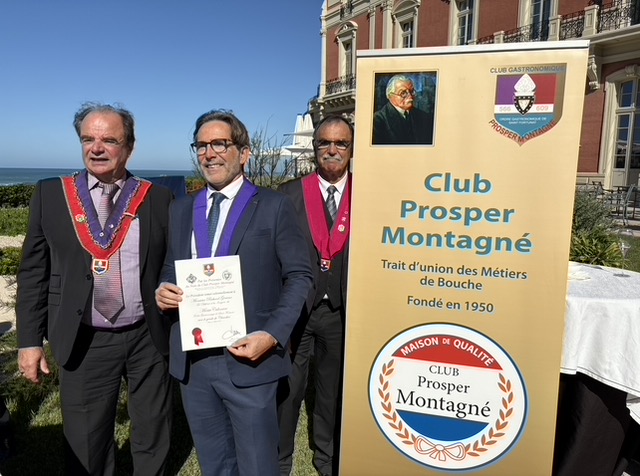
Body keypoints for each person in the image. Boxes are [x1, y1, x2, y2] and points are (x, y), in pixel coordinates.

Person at [16, 102, 173, 475]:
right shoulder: (52, 195)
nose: (96, 148)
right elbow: (33, 272)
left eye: (109, 140)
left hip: (147, 336)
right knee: (86, 439)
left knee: (153, 429)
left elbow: (171, 261)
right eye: (88, 139)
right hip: (85, 336)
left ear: (129, 147)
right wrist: (29, 342)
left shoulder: (157, 198)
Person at [155, 109, 313, 476]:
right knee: (215, 464)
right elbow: (170, 269)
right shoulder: (181, 209)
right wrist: (163, 290)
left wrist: (271, 335)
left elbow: (300, 276)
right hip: (195, 363)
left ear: (244, 153)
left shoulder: (274, 206)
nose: (209, 154)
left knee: (258, 465)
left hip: (250, 359)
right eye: (201, 146)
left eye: (219, 144)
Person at [277, 115, 353, 476]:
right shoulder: (289, 194)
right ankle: (279, 460)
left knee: (331, 391)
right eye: (325, 142)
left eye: (341, 143)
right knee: (288, 390)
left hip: (342, 310)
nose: (333, 150)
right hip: (297, 312)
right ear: (314, 147)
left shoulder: (369, 193)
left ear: (351, 149)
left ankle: (327, 458)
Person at [372, 74, 434, 145]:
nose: (410, 96)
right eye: (403, 93)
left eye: (412, 91)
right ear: (390, 95)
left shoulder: (424, 117)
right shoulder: (378, 120)